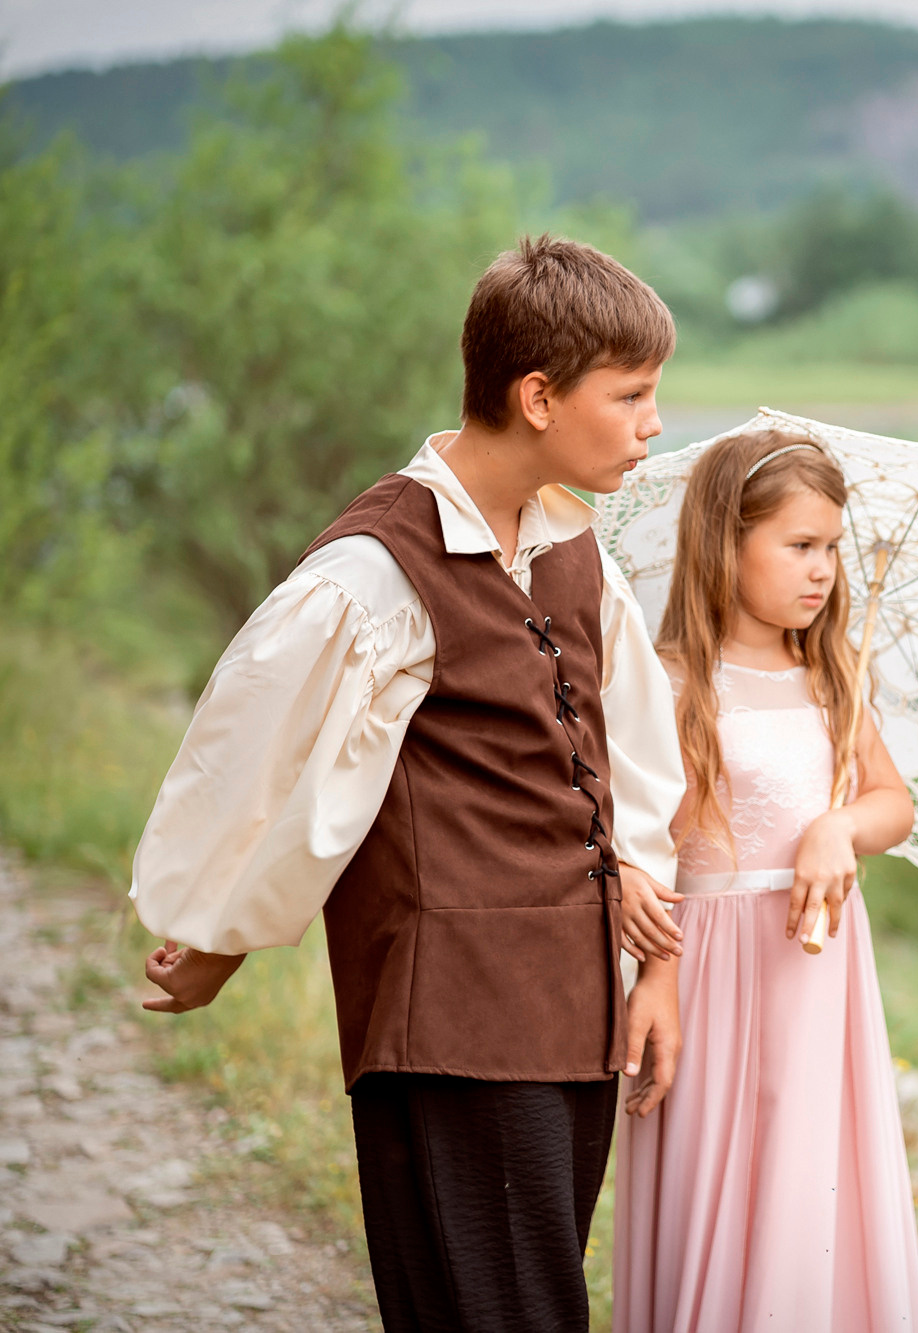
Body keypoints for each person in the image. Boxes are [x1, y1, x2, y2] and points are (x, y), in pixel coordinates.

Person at [132, 235, 689, 1333]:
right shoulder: (373, 571)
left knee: (507, 1307)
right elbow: (274, 767)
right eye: (629, 395)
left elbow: (633, 762)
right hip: (450, 1013)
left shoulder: (577, 549)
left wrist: (653, 967)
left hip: (571, 1003)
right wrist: (217, 935)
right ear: (537, 395)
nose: (653, 423)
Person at [613, 430, 918, 1332]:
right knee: (724, 1169)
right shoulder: (674, 682)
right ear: (726, 542)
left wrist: (840, 826)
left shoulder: (835, 678)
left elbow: (891, 803)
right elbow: (648, 847)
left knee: (810, 1173)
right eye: (800, 545)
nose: (823, 569)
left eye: (833, 546)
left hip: (815, 973)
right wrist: (656, 974)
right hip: (708, 967)